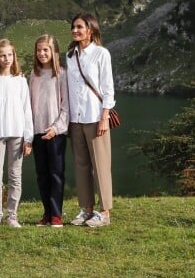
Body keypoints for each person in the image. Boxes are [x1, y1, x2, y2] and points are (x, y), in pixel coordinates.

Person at [66, 13, 116, 228]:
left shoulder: (101, 54)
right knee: (81, 165)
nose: (75, 30)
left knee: (101, 165)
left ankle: (104, 212)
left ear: (91, 30)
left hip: (95, 117)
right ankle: (86, 209)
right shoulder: (70, 55)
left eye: (80, 27)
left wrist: (105, 117)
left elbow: (108, 88)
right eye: (74, 27)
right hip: (75, 119)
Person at [0, 38, 33, 229]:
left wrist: (29, 138)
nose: (7, 59)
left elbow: (27, 109)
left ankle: (12, 215)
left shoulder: (20, 80)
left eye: (10, 55)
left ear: (14, 56)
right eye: (3, 55)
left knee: (15, 176)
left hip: (17, 134)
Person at [29, 34, 69, 228]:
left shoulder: (61, 74)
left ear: (55, 53)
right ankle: (46, 212)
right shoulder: (33, 75)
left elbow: (66, 106)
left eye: (46, 50)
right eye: (39, 50)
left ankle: (56, 214)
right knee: (42, 174)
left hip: (56, 132)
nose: (42, 53)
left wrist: (56, 128)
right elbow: (27, 104)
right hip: (37, 131)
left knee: (56, 173)